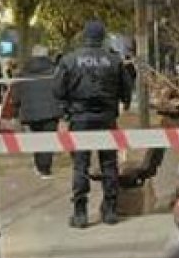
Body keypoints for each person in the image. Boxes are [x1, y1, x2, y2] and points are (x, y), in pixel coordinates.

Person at [55, 20, 135, 228]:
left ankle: (80, 213)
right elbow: (127, 89)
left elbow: (57, 89)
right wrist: (123, 102)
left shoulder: (70, 60)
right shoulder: (114, 60)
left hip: (79, 118)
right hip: (107, 117)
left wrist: (66, 110)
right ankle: (110, 210)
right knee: (109, 163)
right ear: (103, 36)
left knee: (80, 165)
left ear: (84, 36)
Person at [10, 46, 63, 179]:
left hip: (30, 111)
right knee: (48, 139)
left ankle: (39, 166)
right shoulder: (55, 71)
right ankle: (45, 169)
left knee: (36, 138)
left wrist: (16, 109)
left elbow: (16, 94)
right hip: (51, 110)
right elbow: (61, 90)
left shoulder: (22, 72)